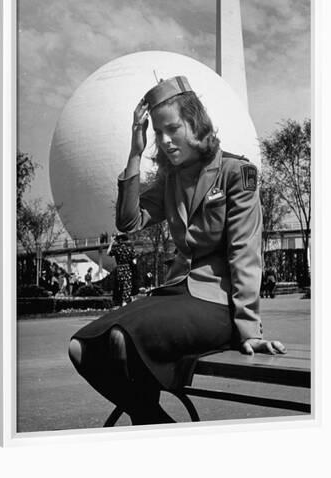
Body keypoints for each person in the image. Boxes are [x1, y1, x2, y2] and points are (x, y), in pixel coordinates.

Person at [69, 75, 286, 426]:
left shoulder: (236, 173)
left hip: (217, 304)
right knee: (80, 349)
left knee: (121, 338)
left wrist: (250, 331)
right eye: (158, 133)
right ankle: (156, 425)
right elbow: (128, 221)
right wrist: (136, 151)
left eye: (173, 129)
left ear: (195, 123)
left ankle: (153, 431)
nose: (166, 141)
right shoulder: (170, 181)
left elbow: (245, 254)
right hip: (176, 294)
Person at [107, 233, 137, 306]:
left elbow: (108, 253)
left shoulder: (117, 250)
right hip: (127, 269)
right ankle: (125, 301)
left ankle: (119, 301)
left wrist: (111, 243)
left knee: (120, 286)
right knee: (127, 287)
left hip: (119, 270)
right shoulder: (129, 249)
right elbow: (134, 262)